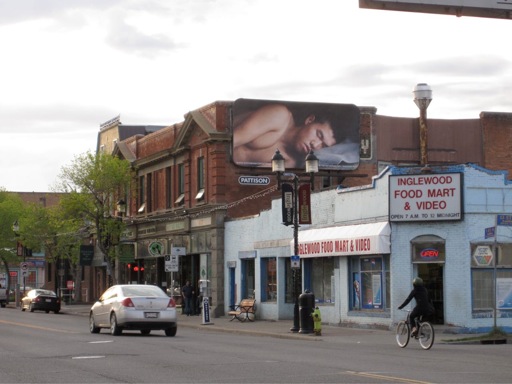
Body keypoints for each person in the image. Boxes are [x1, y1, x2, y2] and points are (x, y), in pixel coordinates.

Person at [232, 100, 359, 169]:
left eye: (324, 145)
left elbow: (255, 179)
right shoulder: (279, 116)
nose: (316, 145)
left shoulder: (290, 162)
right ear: (309, 120)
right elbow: (231, 141)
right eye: (319, 135)